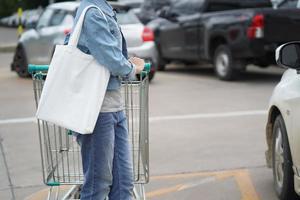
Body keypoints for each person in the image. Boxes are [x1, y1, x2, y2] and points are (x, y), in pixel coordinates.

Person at [65, 0, 145, 199]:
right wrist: (131, 68)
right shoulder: (93, 13)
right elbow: (108, 56)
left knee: (123, 183)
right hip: (98, 110)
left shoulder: (102, 10)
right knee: (97, 186)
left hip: (113, 107)